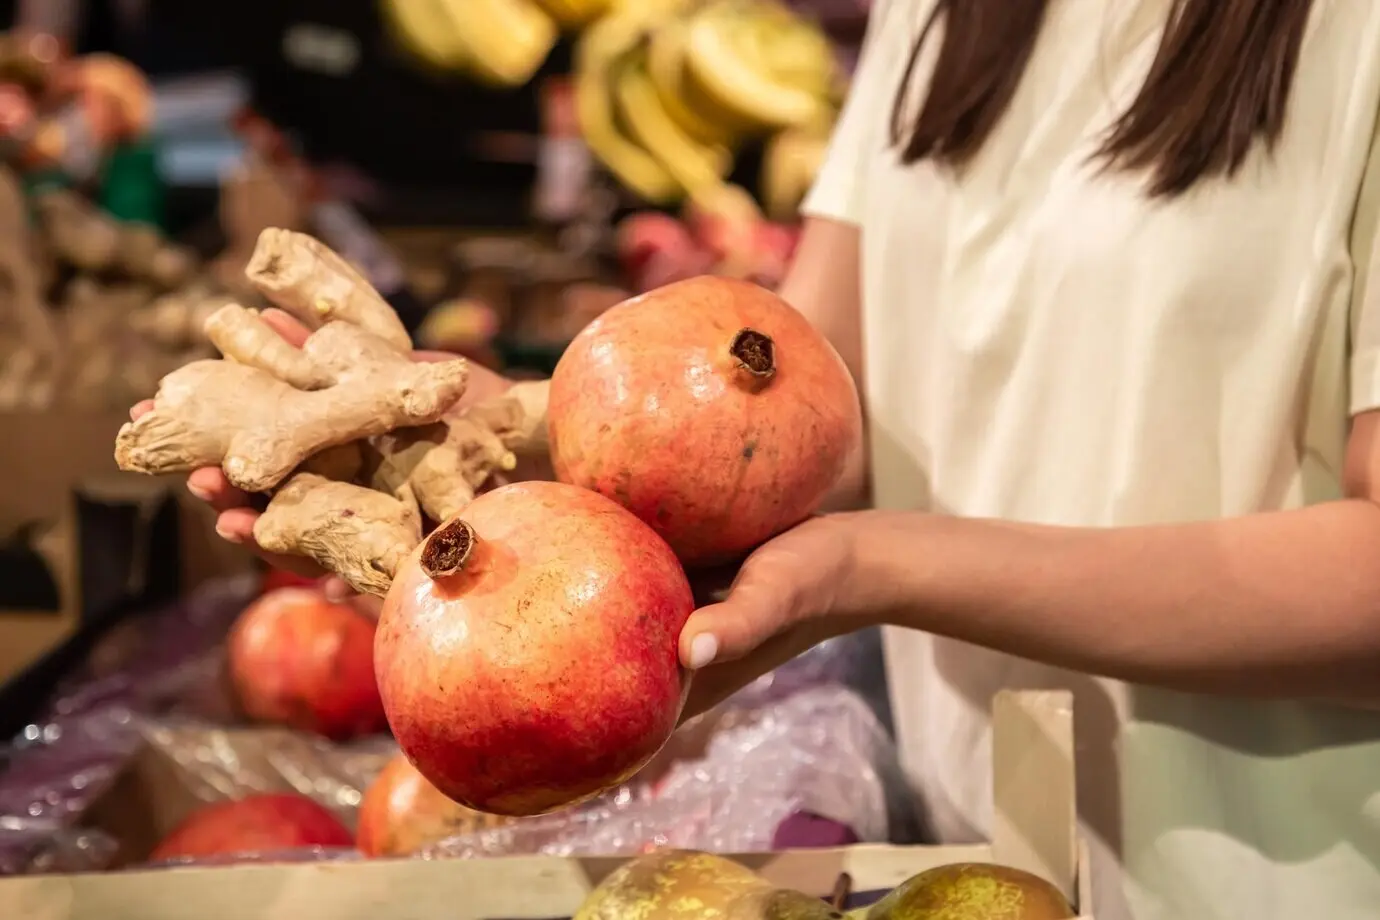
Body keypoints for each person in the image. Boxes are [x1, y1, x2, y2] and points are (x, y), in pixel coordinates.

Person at [150, 0, 1380, 917]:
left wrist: (875, 567)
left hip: (1272, 870)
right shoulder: (943, 13)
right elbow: (811, 408)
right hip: (972, 839)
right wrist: (533, 428)